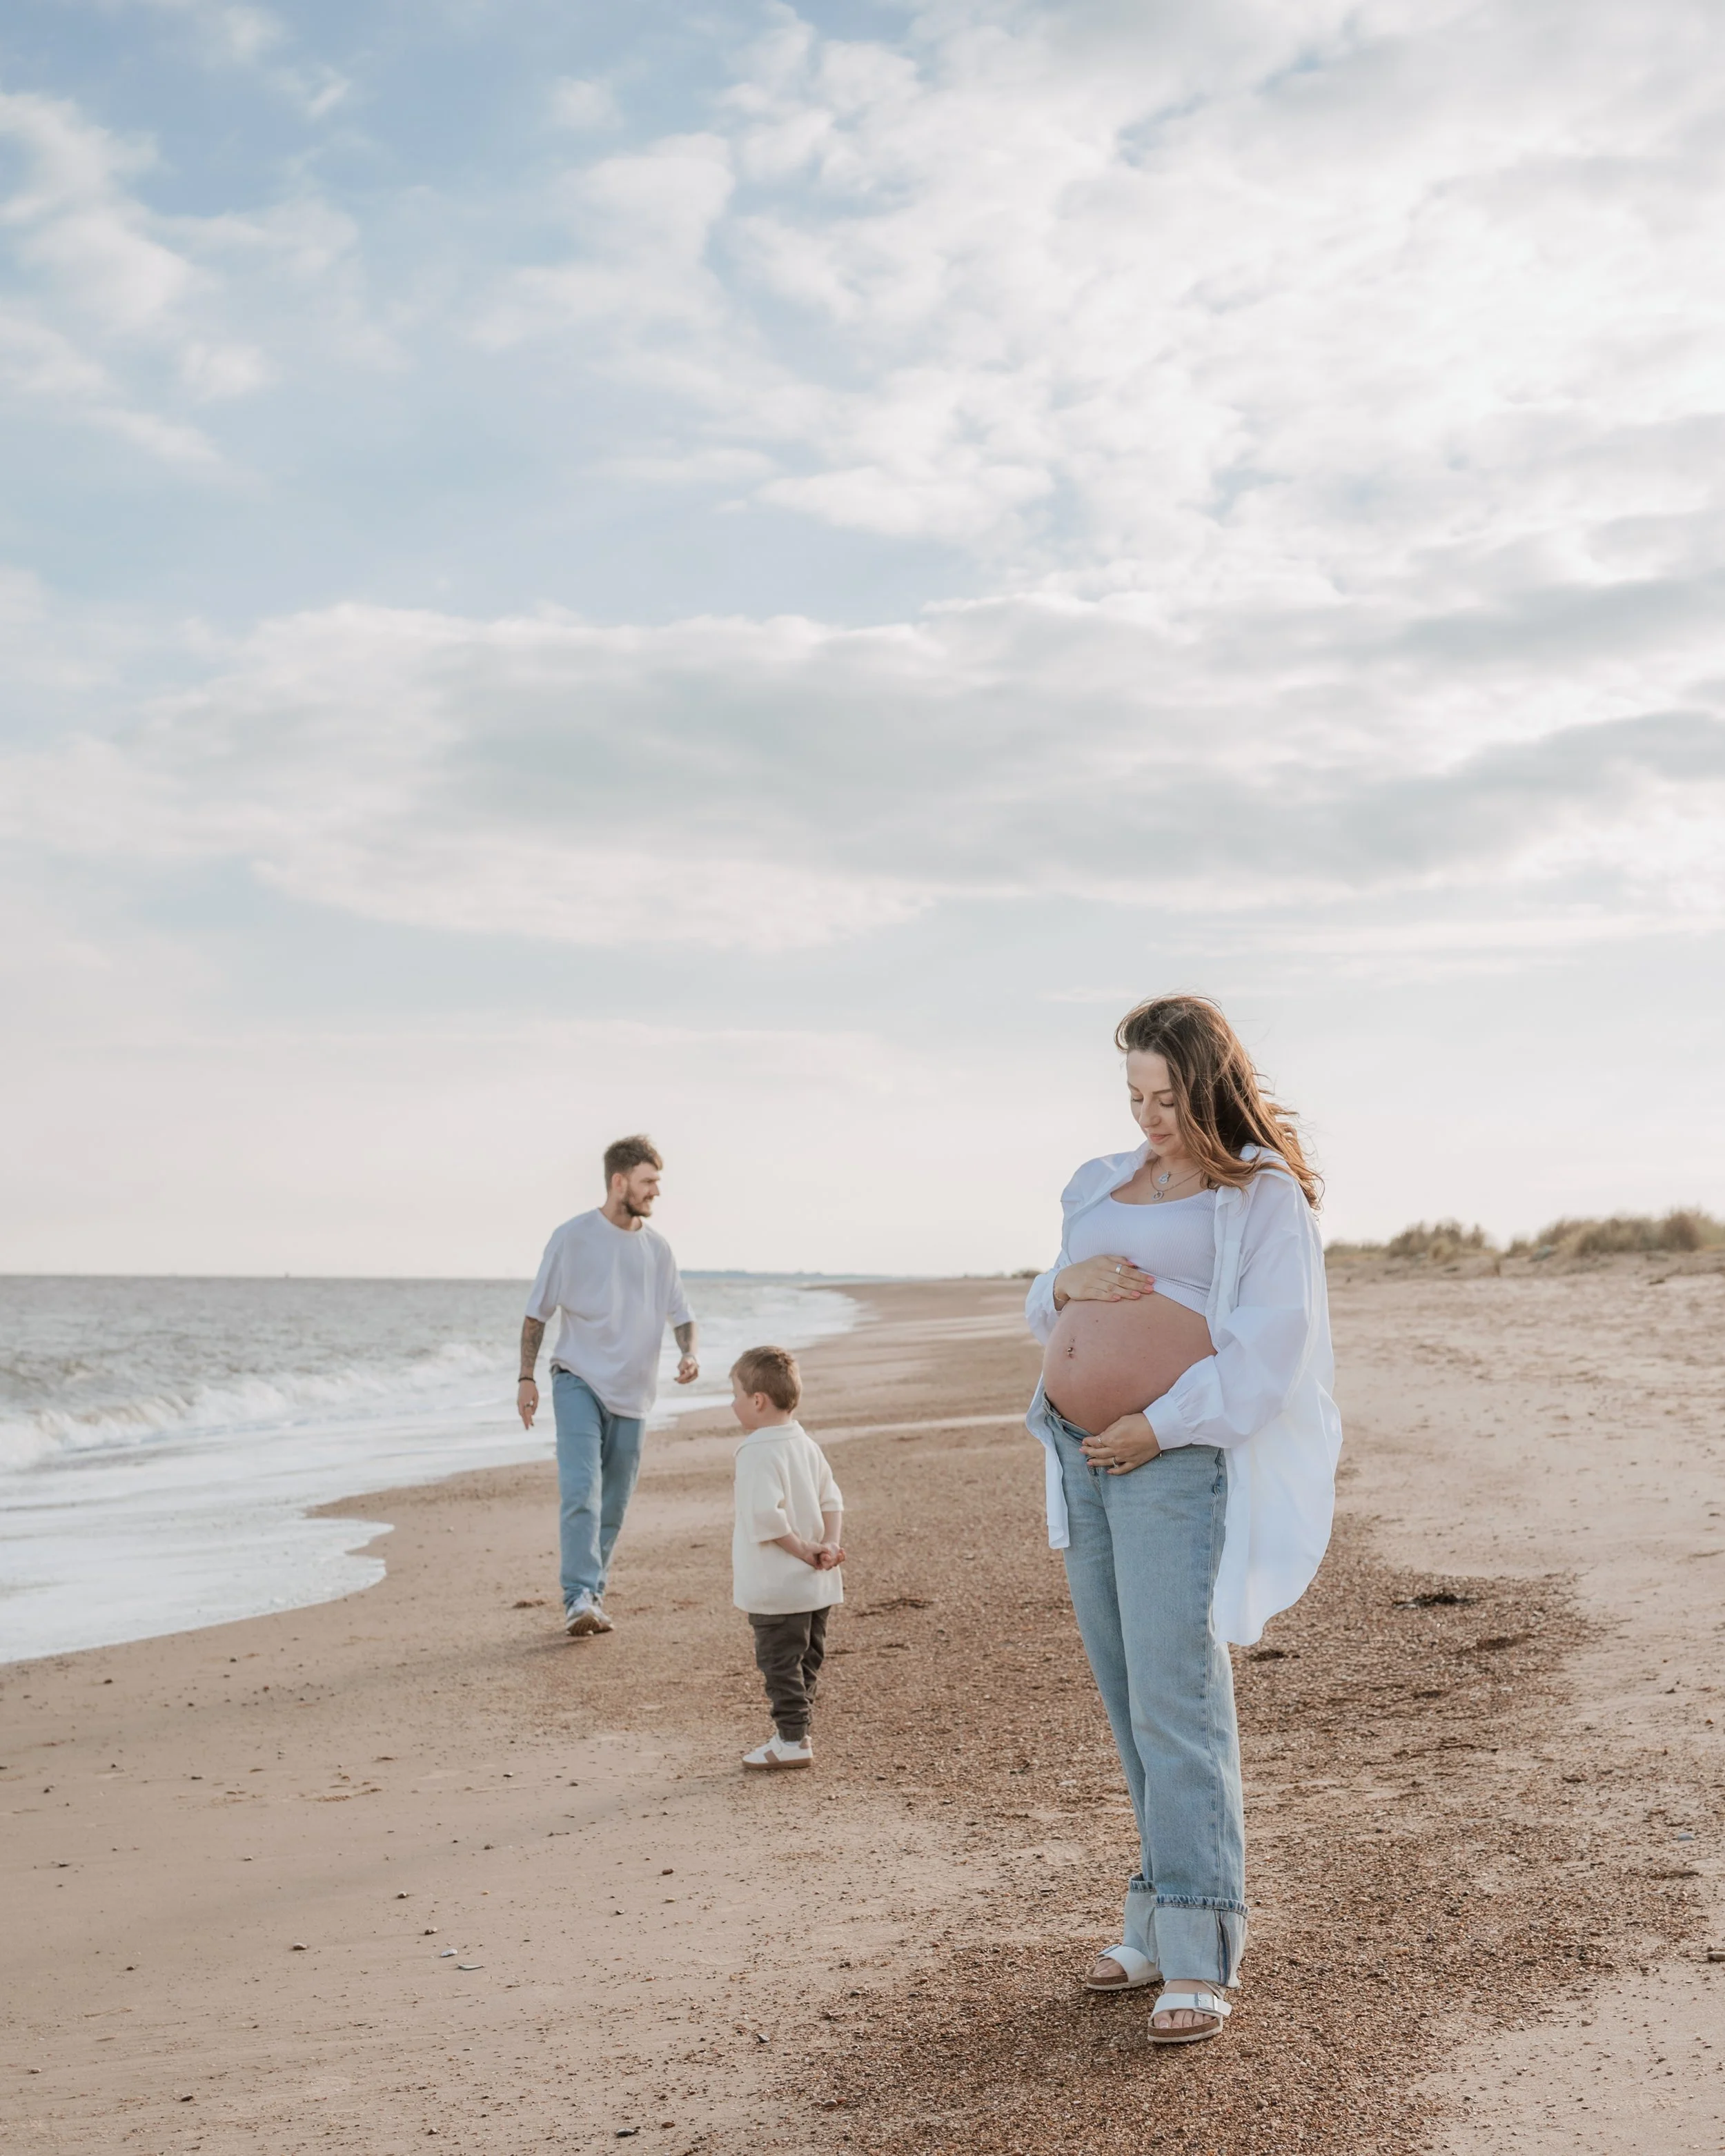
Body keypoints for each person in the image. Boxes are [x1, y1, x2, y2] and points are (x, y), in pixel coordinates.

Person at [1024, 994, 1341, 2046]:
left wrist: (1157, 1426)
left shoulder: (1258, 1197)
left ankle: (1201, 1950)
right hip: (1078, 1453)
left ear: (1206, 1082)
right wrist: (1060, 1281)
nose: (1150, 1116)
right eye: (1135, 1097)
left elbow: (1267, 1355)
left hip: (1168, 1458)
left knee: (1179, 1697)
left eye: (1166, 1096)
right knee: (1128, 1698)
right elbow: (1051, 1308)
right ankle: (1156, 1923)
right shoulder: (1099, 1184)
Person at [518, 1135, 698, 1636]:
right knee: (582, 1490)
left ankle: (593, 1591)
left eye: (658, 1182)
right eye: (648, 1181)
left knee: (613, 1506)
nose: (655, 1192)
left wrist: (689, 1352)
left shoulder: (658, 1250)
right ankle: (577, 1597)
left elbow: (682, 1315)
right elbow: (537, 1314)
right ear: (619, 1182)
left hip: (634, 1395)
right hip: (578, 1380)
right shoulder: (572, 1237)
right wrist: (526, 1377)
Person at [728, 1345, 844, 1772]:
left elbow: (767, 1518)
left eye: (736, 1394)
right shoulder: (805, 1443)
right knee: (806, 1659)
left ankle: (792, 1740)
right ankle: (796, 1733)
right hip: (816, 1584)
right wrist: (828, 1546)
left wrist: (803, 1550)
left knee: (779, 1663)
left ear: (758, 1400)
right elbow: (833, 1500)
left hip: (778, 1585)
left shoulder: (756, 1450)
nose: (733, 1403)